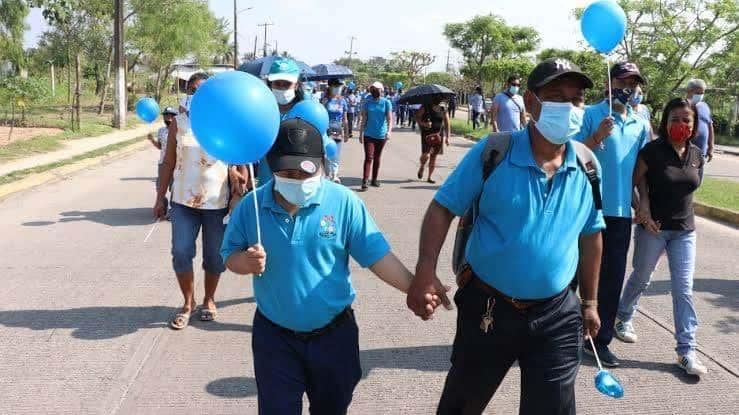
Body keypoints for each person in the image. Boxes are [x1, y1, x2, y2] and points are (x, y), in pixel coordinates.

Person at [407, 58, 605, 414]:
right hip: (489, 307)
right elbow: (442, 209)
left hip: (558, 313)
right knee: (461, 404)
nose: (570, 108)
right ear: (530, 102)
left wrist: (590, 303)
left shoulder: (588, 165)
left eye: (576, 100)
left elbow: (592, 235)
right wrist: (425, 271)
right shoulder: (494, 152)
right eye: (557, 97)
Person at [220, 118, 417, 414]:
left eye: (304, 171)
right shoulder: (253, 207)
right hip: (275, 337)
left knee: (332, 407)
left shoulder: (344, 203)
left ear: (322, 163)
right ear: (271, 168)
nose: (296, 178)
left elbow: (378, 257)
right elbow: (229, 255)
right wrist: (245, 263)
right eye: (286, 172)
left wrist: (417, 288)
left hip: (334, 335)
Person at [616, 97, 708, 377]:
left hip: (684, 232)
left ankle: (686, 351)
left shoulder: (696, 155)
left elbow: (691, 188)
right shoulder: (652, 151)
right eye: (674, 119)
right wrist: (642, 209)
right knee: (641, 277)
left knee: (683, 289)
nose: (680, 124)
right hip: (653, 229)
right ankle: (623, 316)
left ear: (693, 126)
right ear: (665, 122)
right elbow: (629, 184)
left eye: (686, 120)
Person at [575, 61, 651, 367]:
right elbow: (569, 153)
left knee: (611, 280)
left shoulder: (640, 123)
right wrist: (595, 137)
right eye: (623, 82)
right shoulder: (590, 114)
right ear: (610, 83)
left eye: (634, 83)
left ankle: (599, 340)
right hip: (585, 207)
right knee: (572, 275)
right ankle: (564, 334)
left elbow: (642, 170)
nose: (628, 88)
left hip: (619, 213)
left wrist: (642, 202)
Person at [154, 72, 230, 329]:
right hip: (182, 201)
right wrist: (160, 196)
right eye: (193, 90)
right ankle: (188, 302)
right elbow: (168, 162)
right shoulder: (179, 123)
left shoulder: (225, 121)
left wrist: (240, 177)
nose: (198, 95)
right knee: (181, 252)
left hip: (217, 202)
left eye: (204, 90)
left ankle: (209, 299)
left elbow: (237, 158)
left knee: (215, 257)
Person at [256, 57, 306, 187]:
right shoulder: (259, 110)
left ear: (296, 85)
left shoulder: (307, 111)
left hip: (298, 179)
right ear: (270, 84)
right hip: (267, 179)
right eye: (278, 83)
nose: (282, 88)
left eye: (287, 83)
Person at [358, 81, 393, 191]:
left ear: (381, 90)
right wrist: (360, 133)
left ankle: (374, 179)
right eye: (373, 89)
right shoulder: (367, 103)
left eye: (377, 89)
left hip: (381, 135)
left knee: (377, 157)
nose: (374, 91)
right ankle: (365, 181)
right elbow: (364, 119)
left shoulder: (386, 102)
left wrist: (389, 131)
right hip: (368, 134)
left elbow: (390, 119)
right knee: (369, 157)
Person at [147, 106, 178, 218]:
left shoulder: (180, 130)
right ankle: (163, 206)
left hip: (176, 164)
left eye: (171, 115)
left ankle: (172, 211)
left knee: (174, 188)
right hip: (163, 163)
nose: (168, 118)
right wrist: (152, 140)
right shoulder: (161, 131)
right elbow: (160, 146)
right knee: (160, 187)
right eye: (166, 115)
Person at [415, 98, 451, 183]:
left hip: (438, 135)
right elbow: (417, 117)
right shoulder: (425, 107)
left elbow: (447, 123)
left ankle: (429, 177)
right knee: (426, 155)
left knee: (433, 156)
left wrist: (447, 137)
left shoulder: (443, 108)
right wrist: (424, 124)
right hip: (426, 134)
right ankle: (422, 166)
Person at [686, 79, 715, 169]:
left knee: (698, 179)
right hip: (686, 153)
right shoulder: (682, 106)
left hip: (701, 153)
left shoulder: (705, 106)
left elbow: (710, 127)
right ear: (689, 91)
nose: (700, 96)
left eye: (702, 93)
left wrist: (710, 148)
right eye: (698, 93)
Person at [325, 78, 349, 183]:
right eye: (335, 86)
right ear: (330, 87)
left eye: (339, 86)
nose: (337, 88)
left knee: (336, 154)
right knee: (326, 154)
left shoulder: (343, 101)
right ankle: (326, 174)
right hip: (326, 131)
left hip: (338, 130)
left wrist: (347, 132)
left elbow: (345, 118)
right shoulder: (325, 101)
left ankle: (334, 175)